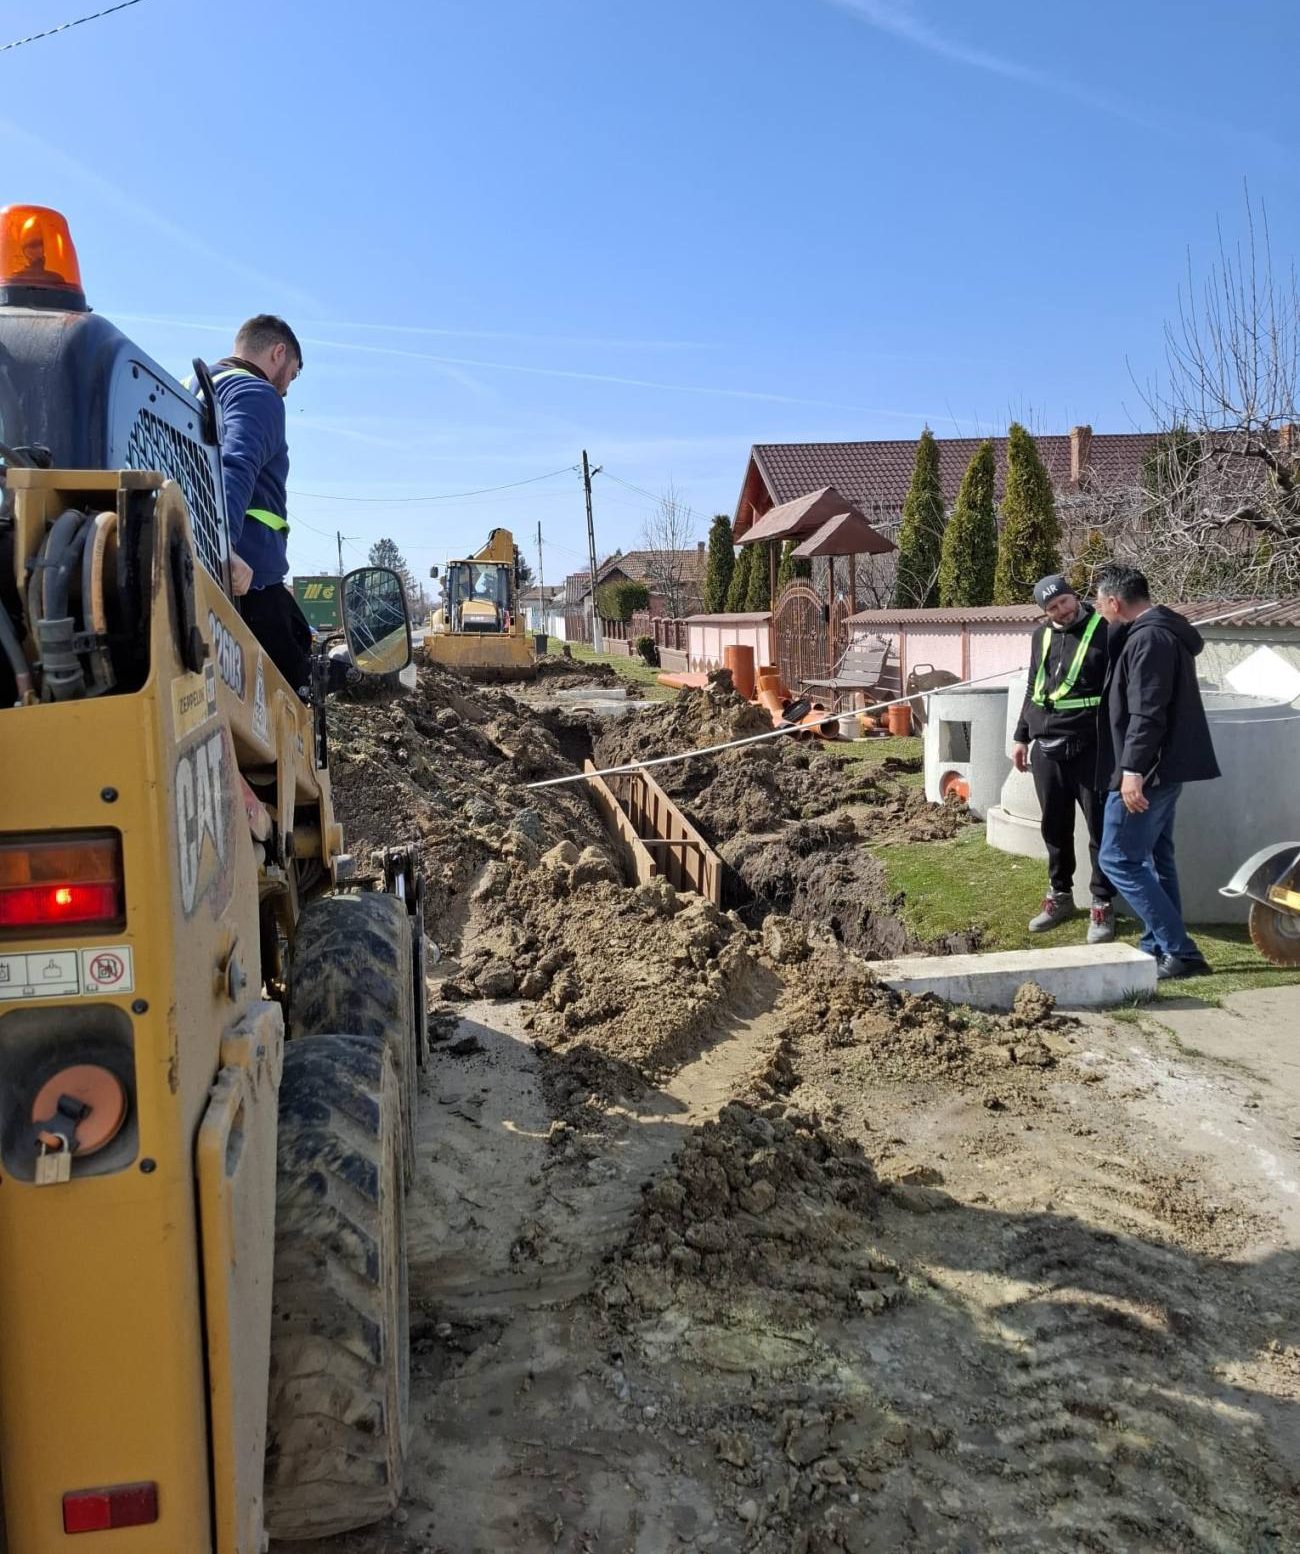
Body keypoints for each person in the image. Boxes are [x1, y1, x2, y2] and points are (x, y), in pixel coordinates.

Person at [1093, 564, 1219, 980]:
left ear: (1114, 602)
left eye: (1099, 602)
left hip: (1149, 772)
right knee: (1156, 856)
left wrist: (1132, 770)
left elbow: (1148, 713)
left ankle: (1180, 951)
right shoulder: (1161, 632)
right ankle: (1156, 943)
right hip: (1160, 770)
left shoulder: (1149, 639)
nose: (1098, 610)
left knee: (1118, 859)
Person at [194, 315, 319, 700]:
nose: (286, 390)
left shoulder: (198, 388)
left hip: (201, 570)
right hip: (245, 584)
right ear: (278, 352)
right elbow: (237, 463)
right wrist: (222, 547)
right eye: (292, 374)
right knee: (295, 688)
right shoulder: (256, 393)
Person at [1013, 573, 1116, 943]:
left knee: (1100, 828)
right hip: (1047, 746)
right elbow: (1033, 684)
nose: (1062, 611)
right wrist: (1021, 736)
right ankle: (1060, 895)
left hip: (1092, 745)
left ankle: (1102, 902)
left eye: (1065, 602)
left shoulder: (1106, 630)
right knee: (1055, 827)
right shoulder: (1040, 636)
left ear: (1076, 597)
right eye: (1053, 608)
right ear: (1045, 611)